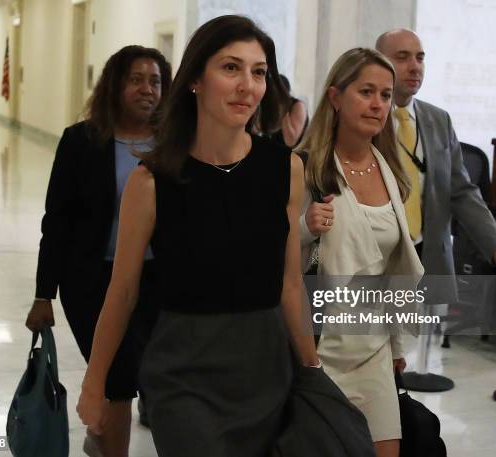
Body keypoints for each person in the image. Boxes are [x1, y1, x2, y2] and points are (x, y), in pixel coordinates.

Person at [74, 15, 351, 457]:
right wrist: (96, 383)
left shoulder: (285, 169)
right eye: (230, 68)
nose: (247, 85)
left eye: (258, 72)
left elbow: (290, 284)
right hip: (183, 371)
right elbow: (122, 292)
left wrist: (311, 368)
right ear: (195, 81)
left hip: (265, 367)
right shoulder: (152, 182)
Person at [25, 45, 172, 457]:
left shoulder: (173, 146)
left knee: (145, 372)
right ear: (115, 85)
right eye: (136, 79)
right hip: (91, 281)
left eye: (155, 81)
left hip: (156, 281)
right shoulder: (81, 142)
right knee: (118, 375)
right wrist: (43, 294)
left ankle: (101, 439)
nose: (147, 89)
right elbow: (57, 219)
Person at [298, 47, 424, 457]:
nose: (377, 104)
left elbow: (393, 267)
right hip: (320, 347)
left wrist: (398, 346)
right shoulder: (305, 166)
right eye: (366, 91)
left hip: (372, 347)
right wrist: (305, 228)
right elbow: (273, 261)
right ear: (336, 97)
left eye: (386, 95)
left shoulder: (391, 170)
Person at [373, 29, 496, 302]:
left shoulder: (438, 120)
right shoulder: (364, 118)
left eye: (420, 57)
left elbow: (462, 192)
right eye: (403, 57)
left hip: (427, 259)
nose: (415, 66)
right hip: (374, 258)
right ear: (378, 62)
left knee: (414, 343)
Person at [270, 74, 309, 148]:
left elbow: (290, 141)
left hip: (294, 155)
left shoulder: (298, 106)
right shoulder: (270, 105)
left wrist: (282, 108)